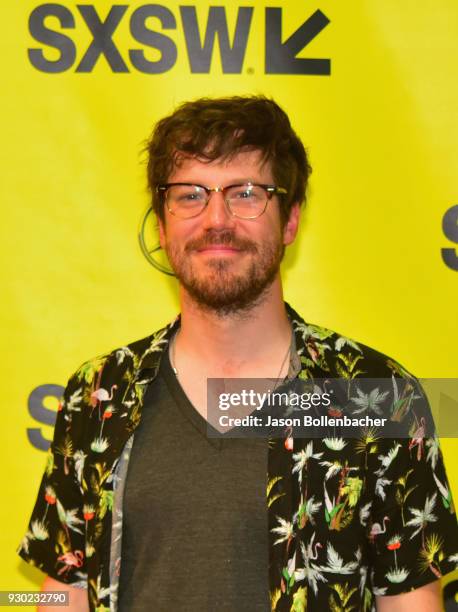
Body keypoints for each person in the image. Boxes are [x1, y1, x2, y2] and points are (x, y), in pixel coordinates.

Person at [18, 96, 458, 612]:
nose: (216, 219)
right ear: (162, 226)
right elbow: (62, 594)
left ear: (291, 220)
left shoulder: (377, 396)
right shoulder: (98, 395)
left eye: (246, 193)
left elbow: (411, 604)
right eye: (190, 195)